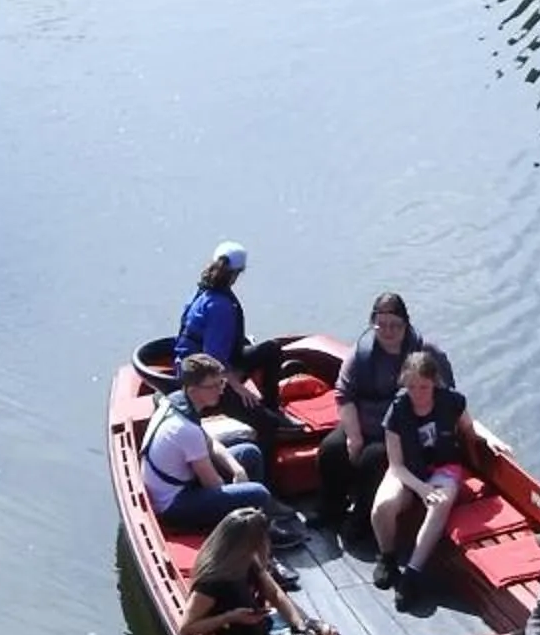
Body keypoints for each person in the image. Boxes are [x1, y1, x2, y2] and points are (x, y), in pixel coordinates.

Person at [178, 510, 342, 635]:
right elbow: (186, 628)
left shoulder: (248, 560)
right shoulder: (212, 583)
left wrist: (300, 624)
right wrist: (230, 617)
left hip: (267, 627)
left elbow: (275, 594)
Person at [318, 291, 448, 532]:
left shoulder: (426, 352)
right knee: (331, 449)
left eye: (395, 326)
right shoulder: (361, 354)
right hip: (363, 421)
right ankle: (331, 508)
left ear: (406, 324)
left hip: (403, 431)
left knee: (373, 459)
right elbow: (344, 394)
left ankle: (363, 521)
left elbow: (446, 397)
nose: (388, 331)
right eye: (381, 325)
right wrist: (354, 437)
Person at [372, 350, 487, 608]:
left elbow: (469, 428)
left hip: (444, 467)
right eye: (411, 386)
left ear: (434, 383)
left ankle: (412, 573)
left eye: (424, 386)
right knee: (382, 507)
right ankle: (387, 558)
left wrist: (490, 441)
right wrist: (421, 488)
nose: (417, 393)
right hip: (408, 471)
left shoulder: (452, 401)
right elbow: (396, 465)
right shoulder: (397, 411)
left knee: (440, 503)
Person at [140, 355, 281, 537]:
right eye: (213, 386)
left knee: (250, 452)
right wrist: (237, 495)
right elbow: (213, 484)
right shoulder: (185, 429)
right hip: (173, 505)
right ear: (192, 390)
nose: (221, 390)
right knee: (259, 493)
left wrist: (237, 470)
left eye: (221, 382)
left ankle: (255, 523)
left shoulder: (176, 402)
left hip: (180, 482)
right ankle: (254, 532)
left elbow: (210, 442)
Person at [172, 244, 296, 443]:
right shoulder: (220, 306)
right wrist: (239, 387)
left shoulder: (203, 291)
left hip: (204, 360)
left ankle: (273, 407)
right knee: (268, 424)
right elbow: (212, 360)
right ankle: (263, 464)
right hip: (202, 375)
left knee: (271, 349)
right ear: (236, 274)